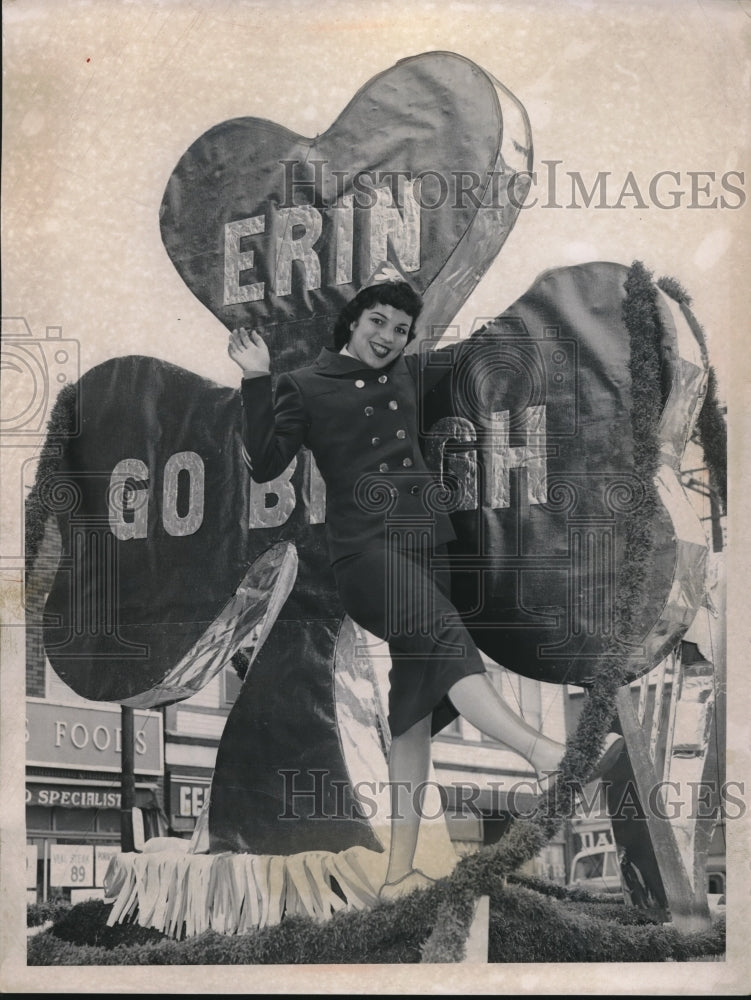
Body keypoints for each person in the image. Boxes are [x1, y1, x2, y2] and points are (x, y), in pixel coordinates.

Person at [229, 276, 565, 900]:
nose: (388, 337)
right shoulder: (302, 386)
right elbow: (266, 462)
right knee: (445, 637)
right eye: (378, 322)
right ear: (354, 322)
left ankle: (396, 875)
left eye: (401, 330)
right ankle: (542, 753)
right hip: (365, 557)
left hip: (426, 550)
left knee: (411, 714)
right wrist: (256, 378)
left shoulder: (410, 374)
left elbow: (486, 353)